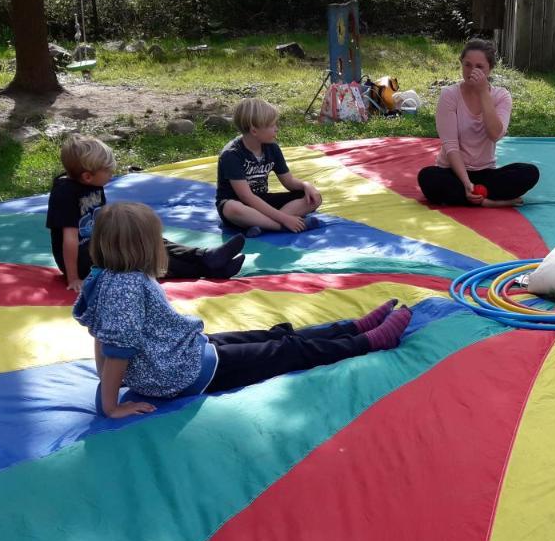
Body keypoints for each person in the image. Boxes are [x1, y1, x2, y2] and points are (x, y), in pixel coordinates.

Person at [73, 202, 412, 418]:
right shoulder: (127, 286)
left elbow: (99, 334)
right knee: (286, 351)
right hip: (184, 372)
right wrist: (110, 404)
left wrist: (108, 380)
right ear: (145, 247)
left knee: (270, 336)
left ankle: (350, 328)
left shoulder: (104, 277)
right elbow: (117, 347)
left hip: (181, 354)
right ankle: (368, 342)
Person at [47, 134, 245, 292]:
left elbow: (101, 219)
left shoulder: (91, 182)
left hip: (100, 244)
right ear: (87, 176)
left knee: (149, 239)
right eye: (107, 172)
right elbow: (70, 239)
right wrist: (73, 277)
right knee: (140, 259)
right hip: (83, 261)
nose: (112, 174)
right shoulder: (65, 193)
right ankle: (208, 267)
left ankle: (206, 256)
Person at [416, 39, 540, 207]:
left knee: (529, 172)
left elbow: (495, 134)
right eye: (467, 65)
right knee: (427, 177)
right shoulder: (449, 95)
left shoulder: (501, 96)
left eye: (479, 67)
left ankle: (468, 198)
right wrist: (467, 183)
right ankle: (488, 202)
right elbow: (451, 146)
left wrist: (483, 92)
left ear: (490, 69)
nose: (472, 71)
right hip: (452, 171)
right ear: (461, 64)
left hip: (485, 172)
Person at [216, 98, 323, 237]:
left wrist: (306, 185)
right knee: (231, 208)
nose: (276, 129)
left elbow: (289, 182)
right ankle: (279, 227)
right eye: (272, 125)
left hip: (262, 200)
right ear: (254, 131)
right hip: (240, 205)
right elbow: (247, 197)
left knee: (314, 198)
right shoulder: (232, 155)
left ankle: (262, 226)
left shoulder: (272, 148)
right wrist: (285, 219)